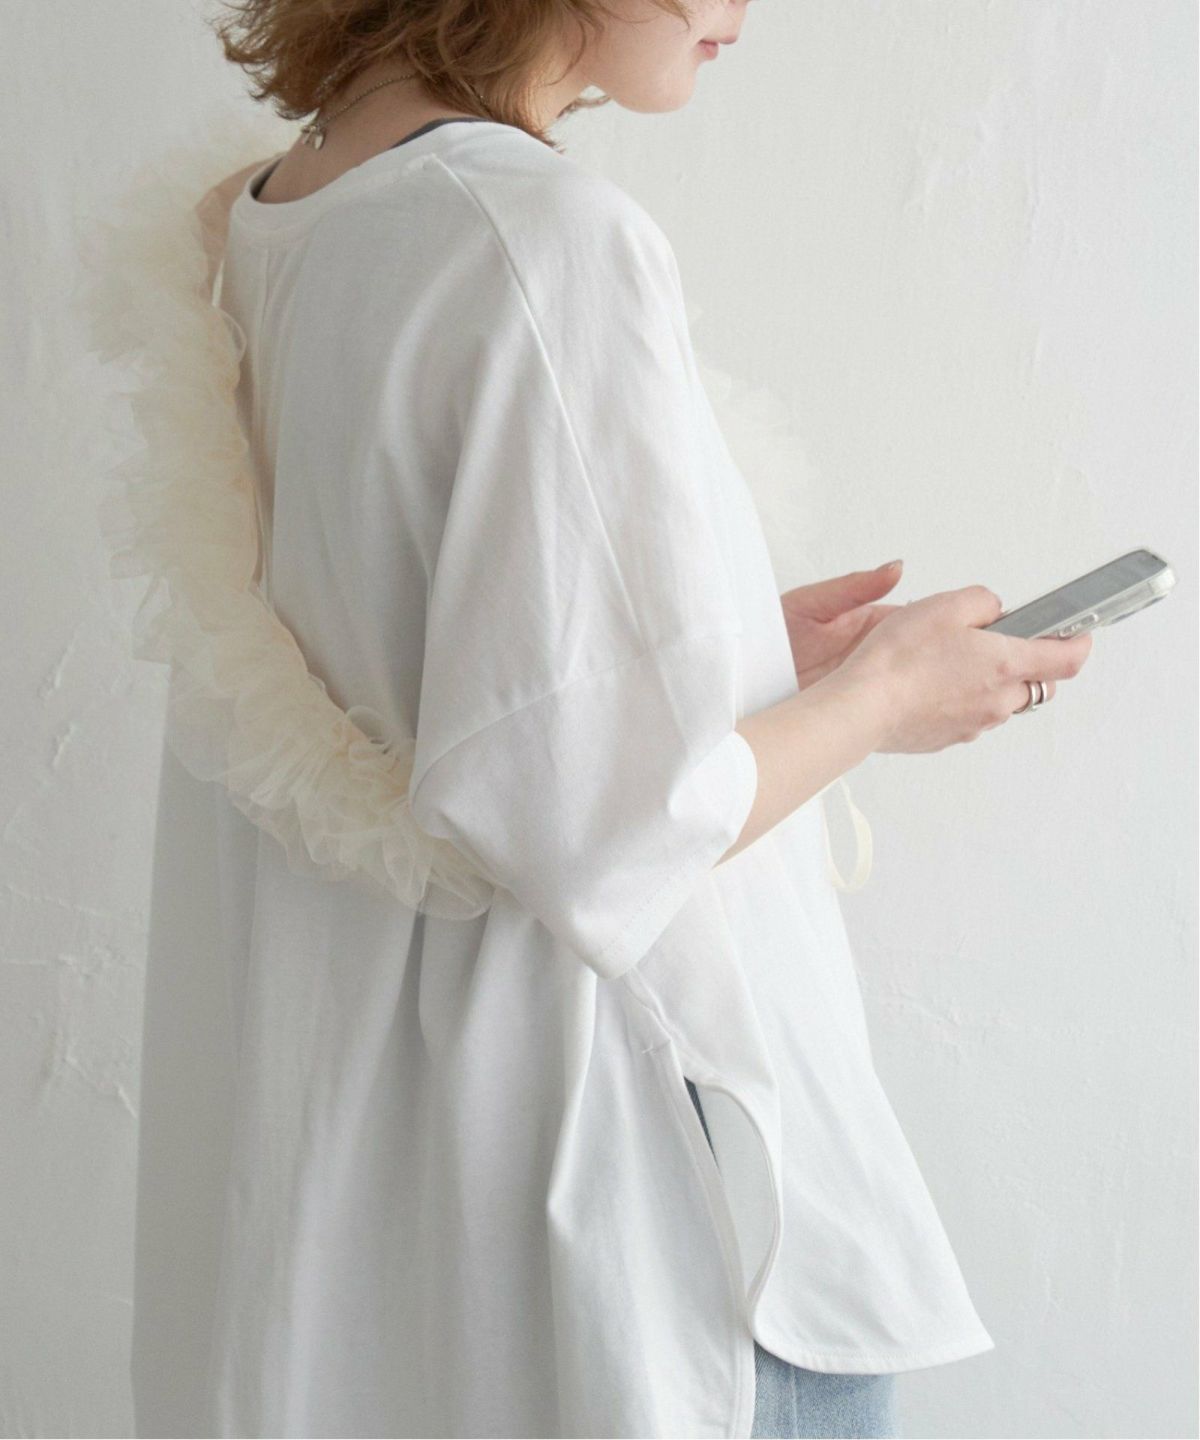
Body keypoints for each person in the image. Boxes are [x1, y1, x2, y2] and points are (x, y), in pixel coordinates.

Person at [120, 2, 1095, 1436]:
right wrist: (887, 696)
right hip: (642, 1185)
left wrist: (724, 647)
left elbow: (417, 666)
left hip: (409, 1194)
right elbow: (599, 829)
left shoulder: (283, 215)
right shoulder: (538, 239)